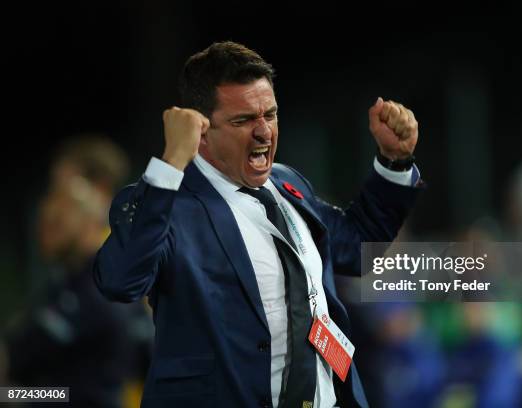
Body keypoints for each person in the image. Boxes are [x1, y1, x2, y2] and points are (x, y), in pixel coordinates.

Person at [94, 41, 423, 408]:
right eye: (243, 120)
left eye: (270, 114)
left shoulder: (287, 184)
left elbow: (356, 247)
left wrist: (394, 162)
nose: (264, 131)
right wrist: (171, 161)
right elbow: (119, 280)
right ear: (200, 131)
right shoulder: (170, 202)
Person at [4, 135, 153, 407]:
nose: (49, 210)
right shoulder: (70, 281)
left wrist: (12, 396)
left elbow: (74, 393)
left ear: (95, 200)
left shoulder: (106, 282)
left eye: (62, 197)